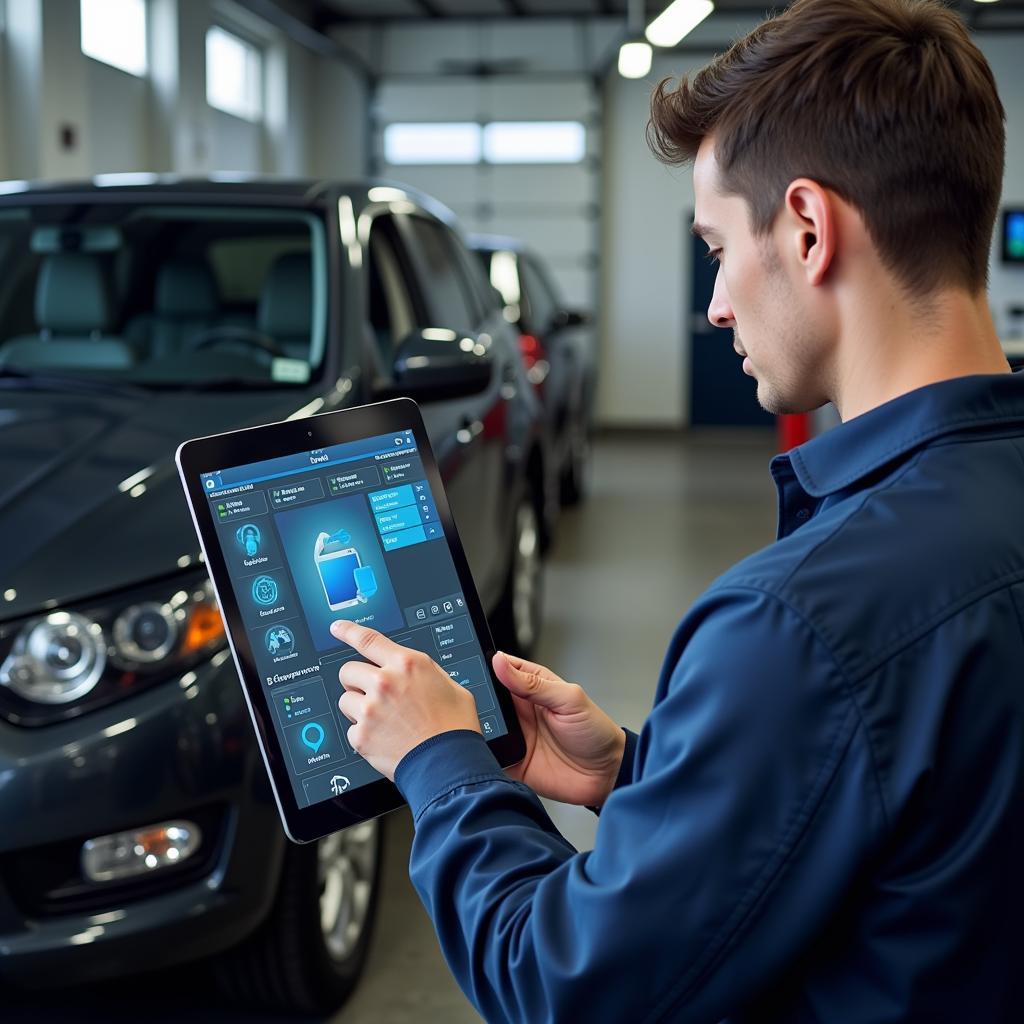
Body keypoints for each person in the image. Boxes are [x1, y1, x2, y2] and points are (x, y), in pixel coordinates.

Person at [330, 0, 1024, 1019]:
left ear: (806, 228)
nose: (715, 304)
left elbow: (562, 983)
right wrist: (644, 771)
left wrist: (438, 762)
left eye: (713, 246)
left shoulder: (799, 622)